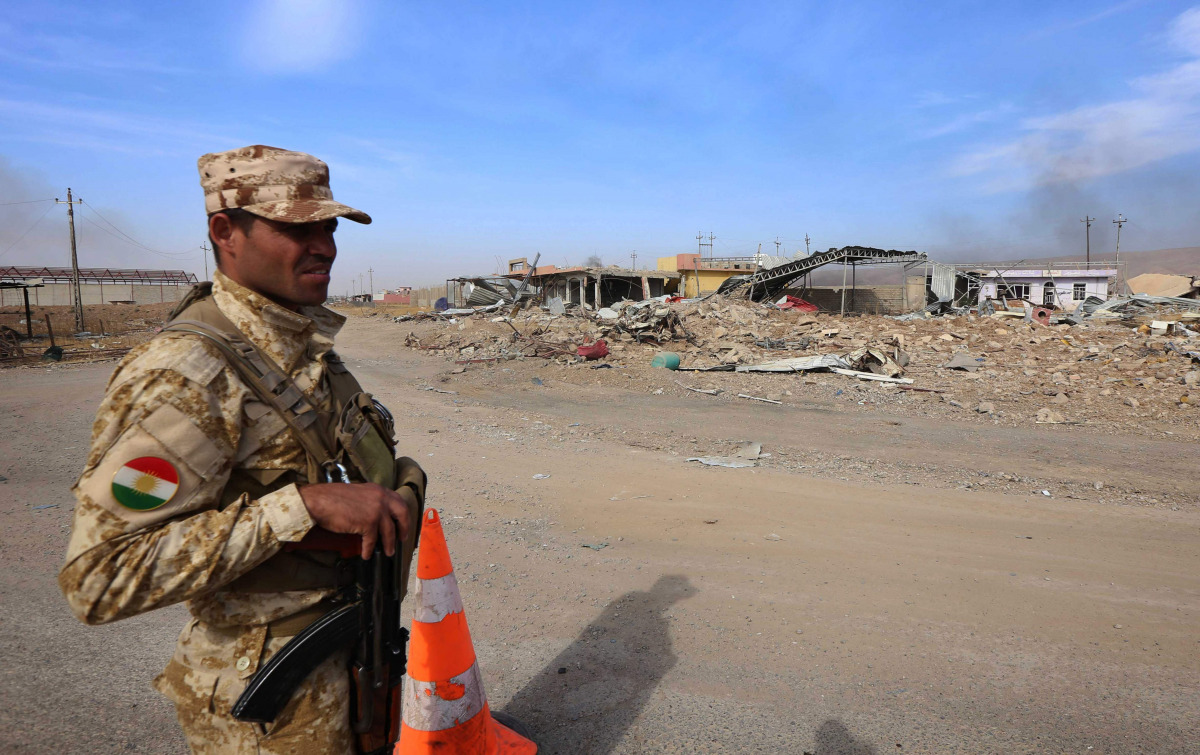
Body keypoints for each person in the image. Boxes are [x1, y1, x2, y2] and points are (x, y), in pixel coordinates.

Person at [59, 145, 424, 754]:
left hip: (347, 676)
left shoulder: (303, 350)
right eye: (295, 227)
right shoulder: (187, 375)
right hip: (264, 715)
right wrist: (301, 508)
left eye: (328, 228)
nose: (325, 247)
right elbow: (100, 577)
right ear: (224, 232)